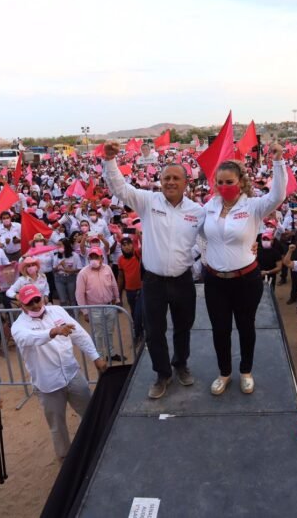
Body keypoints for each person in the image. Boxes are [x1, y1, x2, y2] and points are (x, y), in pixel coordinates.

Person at [102, 141, 205, 400]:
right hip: (154, 282)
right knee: (154, 331)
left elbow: (209, 239)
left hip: (183, 280)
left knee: (183, 327)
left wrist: (192, 256)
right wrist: (110, 160)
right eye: (166, 178)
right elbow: (120, 188)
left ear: (186, 183)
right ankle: (162, 374)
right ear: (160, 181)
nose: (170, 182)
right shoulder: (149, 201)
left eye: (176, 178)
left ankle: (180, 364)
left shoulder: (197, 212)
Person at [201, 144, 286, 395]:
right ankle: (224, 372)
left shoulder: (253, 206)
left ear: (240, 182)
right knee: (220, 330)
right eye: (220, 182)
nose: (224, 186)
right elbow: (197, 232)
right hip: (215, 281)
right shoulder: (209, 207)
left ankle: (246, 371)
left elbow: (278, 196)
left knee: (246, 326)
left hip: (246, 280)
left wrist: (278, 162)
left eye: (229, 181)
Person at [10, 284, 107, 460]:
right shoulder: (18, 327)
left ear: (42, 298)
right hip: (48, 385)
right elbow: (29, 339)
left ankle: (96, 444)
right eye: (30, 302)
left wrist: (95, 356)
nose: (35, 305)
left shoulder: (58, 311)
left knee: (90, 411)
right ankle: (65, 458)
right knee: (57, 425)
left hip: (72, 374)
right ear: (22, 306)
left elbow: (79, 334)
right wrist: (53, 331)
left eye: (37, 299)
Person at [75, 247, 121, 361]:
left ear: (102, 258)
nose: (94, 259)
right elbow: (79, 294)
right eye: (91, 257)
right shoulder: (83, 273)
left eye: (96, 257)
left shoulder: (108, 268)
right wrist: (85, 311)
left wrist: (117, 298)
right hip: (94, 309)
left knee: (109, 331)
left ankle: (111, 353)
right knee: (98, 334)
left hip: (109, 306)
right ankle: (99, 356)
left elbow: (114, 284)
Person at [116, 236, 144, 342]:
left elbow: (145, 247)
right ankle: (139, 332)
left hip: (141, 289)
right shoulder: (120, 259)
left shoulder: (137, 254)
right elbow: (120, 277)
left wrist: (139, 236)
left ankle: (139, 334)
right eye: (124, 245)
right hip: (129, 290)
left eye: (129, 244)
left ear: (132, 245)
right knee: (133, 313)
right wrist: (119, 295)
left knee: (139, 313)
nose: (127, 247)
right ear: (121, 247)